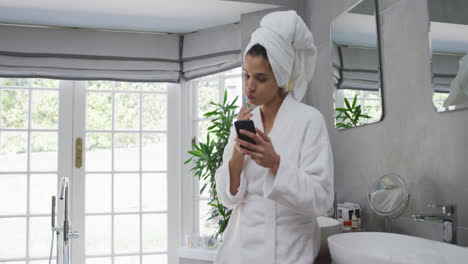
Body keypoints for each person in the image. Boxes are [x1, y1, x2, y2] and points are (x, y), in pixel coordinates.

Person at [214, 10, 334, 264]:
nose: (249, 87)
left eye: (260, 78)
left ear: (280, 78)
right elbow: (228, 197)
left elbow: (322, 199)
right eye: (246, 74)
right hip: (240, 253)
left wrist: (275, 163)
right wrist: (237, 149)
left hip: (287, 254)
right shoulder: (246, 121)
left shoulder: (309, 121)